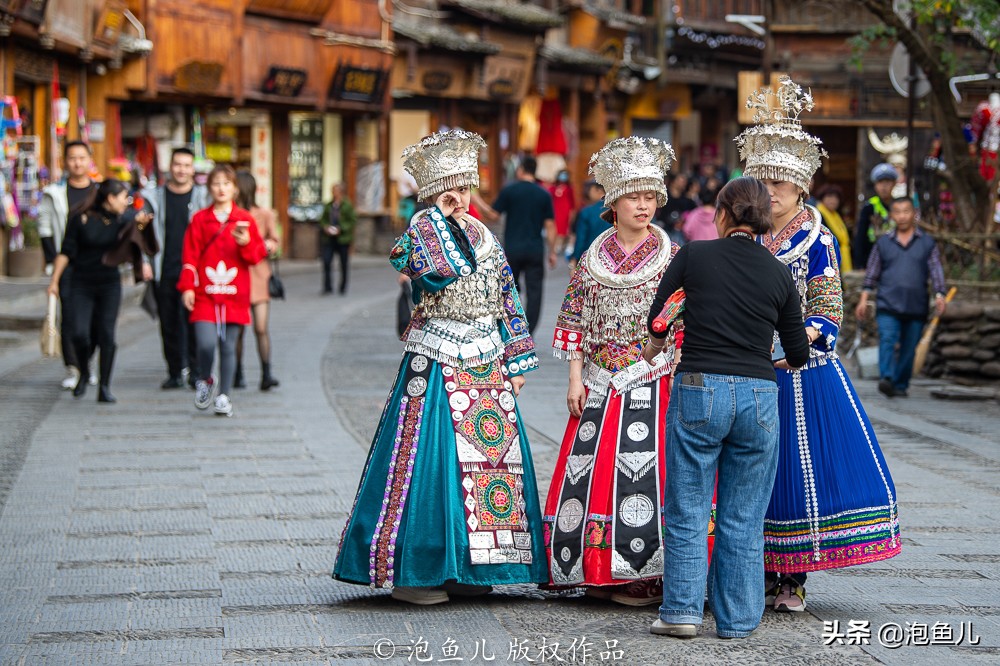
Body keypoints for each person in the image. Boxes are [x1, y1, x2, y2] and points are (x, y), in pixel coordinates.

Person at [333, 129, 547, 605]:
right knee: (430, 462)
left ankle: (475, 568)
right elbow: (433, 272)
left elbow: (507, 296)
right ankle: (417, 572)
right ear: (431, 193)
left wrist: (517, 358)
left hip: (487, 360)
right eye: (450, 189)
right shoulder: (419, 233)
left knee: (491, 464)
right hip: (435, 356)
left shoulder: (486, 237)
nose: (461, 197)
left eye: (466, 187)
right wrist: (435, 215)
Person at [737, 76, 901, 613]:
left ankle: (792, 578)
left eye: (782, 183)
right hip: (745, 364)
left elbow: (828, 311)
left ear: (802, 186)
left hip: (796, 368)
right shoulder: (746, 235)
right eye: (764, 181)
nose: (773, 191)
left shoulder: (817, 237)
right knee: (747, 473)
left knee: (794, 472)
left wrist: (792, 344)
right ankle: (751, 569)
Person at [644, 176, 810, 639]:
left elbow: (658, 320)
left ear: (721, 214)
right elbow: (798, 353)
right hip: (759, 396)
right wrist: (767, 358)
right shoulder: (778, 272)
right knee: (744, 516)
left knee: (689, 508)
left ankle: (681, 613)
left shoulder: (694, 256)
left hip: (700, 387)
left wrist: (656, 345)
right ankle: (737, 621)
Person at [546, 136, 682, 606]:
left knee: (648, 474)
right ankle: (596, 566)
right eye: (634, 198)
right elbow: (574, 321)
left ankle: (649, 573)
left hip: (653, 378)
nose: (643, 206)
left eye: (650, 198)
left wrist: (667, 362)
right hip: (600, 382)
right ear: (614, 203)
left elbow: (684, 319)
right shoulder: (591, 258)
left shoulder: (672, 255)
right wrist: (574, 378)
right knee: (594, 474)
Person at [46, 179, 154, 402]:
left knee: (106, 335)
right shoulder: (80, 218)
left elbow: (137, 240)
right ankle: (84, 372)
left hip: (109, 285)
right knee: (79, 334)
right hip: (81, 283)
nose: (126, 202)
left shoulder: (123, 220)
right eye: (124, 198)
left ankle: (104, 386)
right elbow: (66, 251)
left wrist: (142, 225)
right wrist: (54, 281)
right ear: (111, 198)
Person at [178, 165, 267, 418]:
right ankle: (206, 379)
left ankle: (224, 395)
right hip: (205, 293)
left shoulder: (244, 219)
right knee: (205, 344)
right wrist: (187, 287)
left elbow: (255, 257)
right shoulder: (199, 219)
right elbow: (190, 256)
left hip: (234, 293)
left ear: (235, 189)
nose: (221, 189)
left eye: (226, 184)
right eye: (216, 183)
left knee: (229, 346)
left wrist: (246, 243)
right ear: (209, 188)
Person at [856, 198, 947, 397]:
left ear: (914, 214)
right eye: (897, 212)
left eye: (906, 211)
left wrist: (940, 294)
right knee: (887, 339)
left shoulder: (927, 243)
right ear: (892, 216)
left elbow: (936, 271)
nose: (902, 216)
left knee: (909, 347)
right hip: (887, 303)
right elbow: (871, 274)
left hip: (916, 305)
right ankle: (887, 378)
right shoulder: (883, 243)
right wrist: (864, 298)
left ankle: (900, 384)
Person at [145, 147, 210, 389]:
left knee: (195, 323)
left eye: (186, 165)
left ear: (193, 169)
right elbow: (142, 232)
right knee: (168, 324)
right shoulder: (154, 198)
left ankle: (196, 371)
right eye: (177, 164)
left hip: (195, 272)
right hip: (165, 269)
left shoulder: (204, 197)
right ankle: (174, 372)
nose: (181, 170)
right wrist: (145, 262)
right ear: (169, 167)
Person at [38, 140, 97, 390]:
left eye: (82, 158)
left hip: (95, 264)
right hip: (67, 266)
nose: (77, 163)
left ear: (89, 160)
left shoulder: (99, 192)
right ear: (65, 161)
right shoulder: (54, 193)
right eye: (72, 158)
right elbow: (45, 229)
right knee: (70, 318)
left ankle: (87, 363)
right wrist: (54, 263)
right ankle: (74, 367)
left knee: (95, 320)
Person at [479, 155, 556, 334]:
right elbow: (550, 225)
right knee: (535, 292)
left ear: (520, 170)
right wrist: (552, 251)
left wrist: (477, 201)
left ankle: (512, 327)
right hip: (535, 249)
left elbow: (493, 215)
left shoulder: (510, 190)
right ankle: (529, 330)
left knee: (509, 289)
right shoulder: (543, 194)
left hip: (512, 249)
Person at [234, 170, 281, 391]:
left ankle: (266, 372)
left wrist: (269, 245)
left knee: (261, 327)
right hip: (237, 276)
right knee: (238, 330)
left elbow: (275, 241)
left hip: (260, 275)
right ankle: (236, 372)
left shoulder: (264, 214)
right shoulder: (230, 215)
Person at [853, 163, 897, 270]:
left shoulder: (899, 206)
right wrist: (859, 264)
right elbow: (860, 237)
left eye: (887, 182)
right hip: (872, 257)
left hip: (896, 256)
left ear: (894, 184)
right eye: (880, 182)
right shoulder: (869, 207)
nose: (884, 187)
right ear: (875, 186)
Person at [318, 182, 356, 295]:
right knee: (326, 261)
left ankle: (343, 286)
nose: (334, 193)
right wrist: (325, 227)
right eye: (333, 191)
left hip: (342, 238)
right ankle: (327, 286)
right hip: (329, 238)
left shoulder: (347, 205)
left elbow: (352, 221)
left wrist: (342, 228)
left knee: (343, 263)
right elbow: (323, 219)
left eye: (336, 191)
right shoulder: (329, 205)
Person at [568, 179, 607, 268]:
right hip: (612, 258)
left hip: (589, 258)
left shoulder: (587, 212)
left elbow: (581, 239)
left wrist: (575, 258)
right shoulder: (617, 210)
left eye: (589, 189)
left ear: (598, 190)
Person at [815, 184, 852, 272]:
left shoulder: (837, 216)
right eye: (829, 197)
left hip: (838, 256)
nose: (833, 200)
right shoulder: (817, 215)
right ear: (822, 198)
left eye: (836, 198)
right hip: (825, 260)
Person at [656, 173, 696, 244]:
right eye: (681, 181)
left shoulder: (686, 199)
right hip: (663, 228)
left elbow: (692, 213)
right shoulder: (663, 195)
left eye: (684, 182)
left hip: (679, 231)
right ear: (673, 182)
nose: (683, 184)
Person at [547, 169, 576, 259]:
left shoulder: (569, 188)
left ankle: (559, 245)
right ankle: (554, 245)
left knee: (563, 229)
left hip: (565, 211)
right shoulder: (553, 188)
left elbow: (572, 202)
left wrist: (571, 213)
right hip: (555, 210)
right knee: (554, 227)